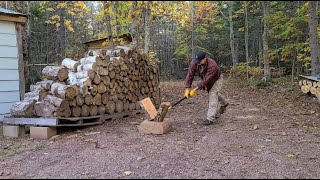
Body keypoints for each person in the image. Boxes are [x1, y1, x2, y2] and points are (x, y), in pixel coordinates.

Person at [184, 51, 229, 125]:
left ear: (204, 59)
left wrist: (195, 89)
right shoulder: (194, 62)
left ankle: (210, 119)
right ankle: (224, 103)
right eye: (196, 61)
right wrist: (187, 88)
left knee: (212, 94)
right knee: (214, 93)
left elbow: (206, 80)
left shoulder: (212, 65)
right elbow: (190, 75)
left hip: (216, 79)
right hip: (207, 80)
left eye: (199, 61)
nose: (197, 63)